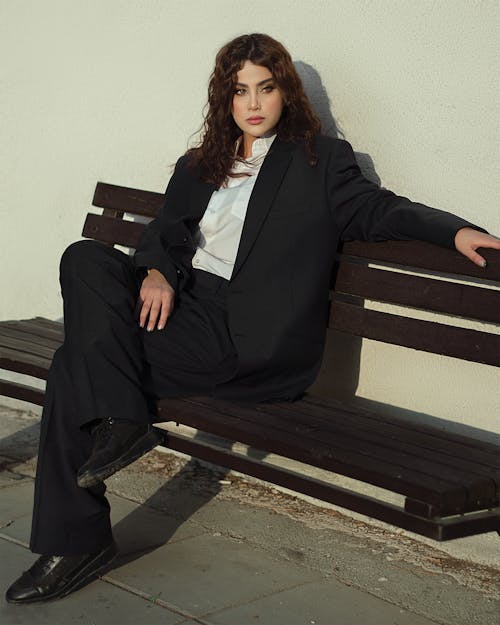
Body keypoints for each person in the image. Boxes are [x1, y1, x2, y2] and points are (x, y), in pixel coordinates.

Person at [6, 33, 499, 604]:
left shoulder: (319, 162)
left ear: (285, 92)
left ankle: (76, 537)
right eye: (241, 91)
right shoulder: (202, 164)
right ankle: (120, 425)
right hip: (183, 310)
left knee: (75, 363)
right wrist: (157, 273)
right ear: (226, 98)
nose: (254, 103)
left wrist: (454, 229)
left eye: (266, 88)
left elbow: (380, 209)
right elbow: (163, 235)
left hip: (244, 338)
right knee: (83, 256)